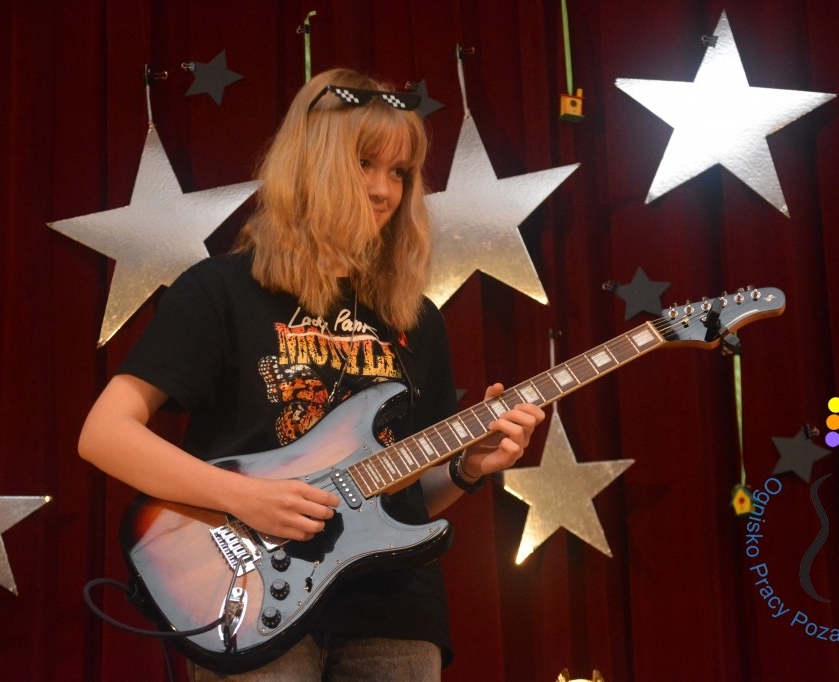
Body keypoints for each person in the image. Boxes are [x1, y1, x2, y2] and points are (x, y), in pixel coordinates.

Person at [78, 67, 545, 681]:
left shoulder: (416, 318)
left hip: (394, 612)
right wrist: (246, 498)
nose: (383, 190)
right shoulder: (220, 289)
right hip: (252, 598)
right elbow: (105, 434)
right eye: (364, 164)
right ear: (311, 165)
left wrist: (467, 467)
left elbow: (405, 496)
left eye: (399, 172)